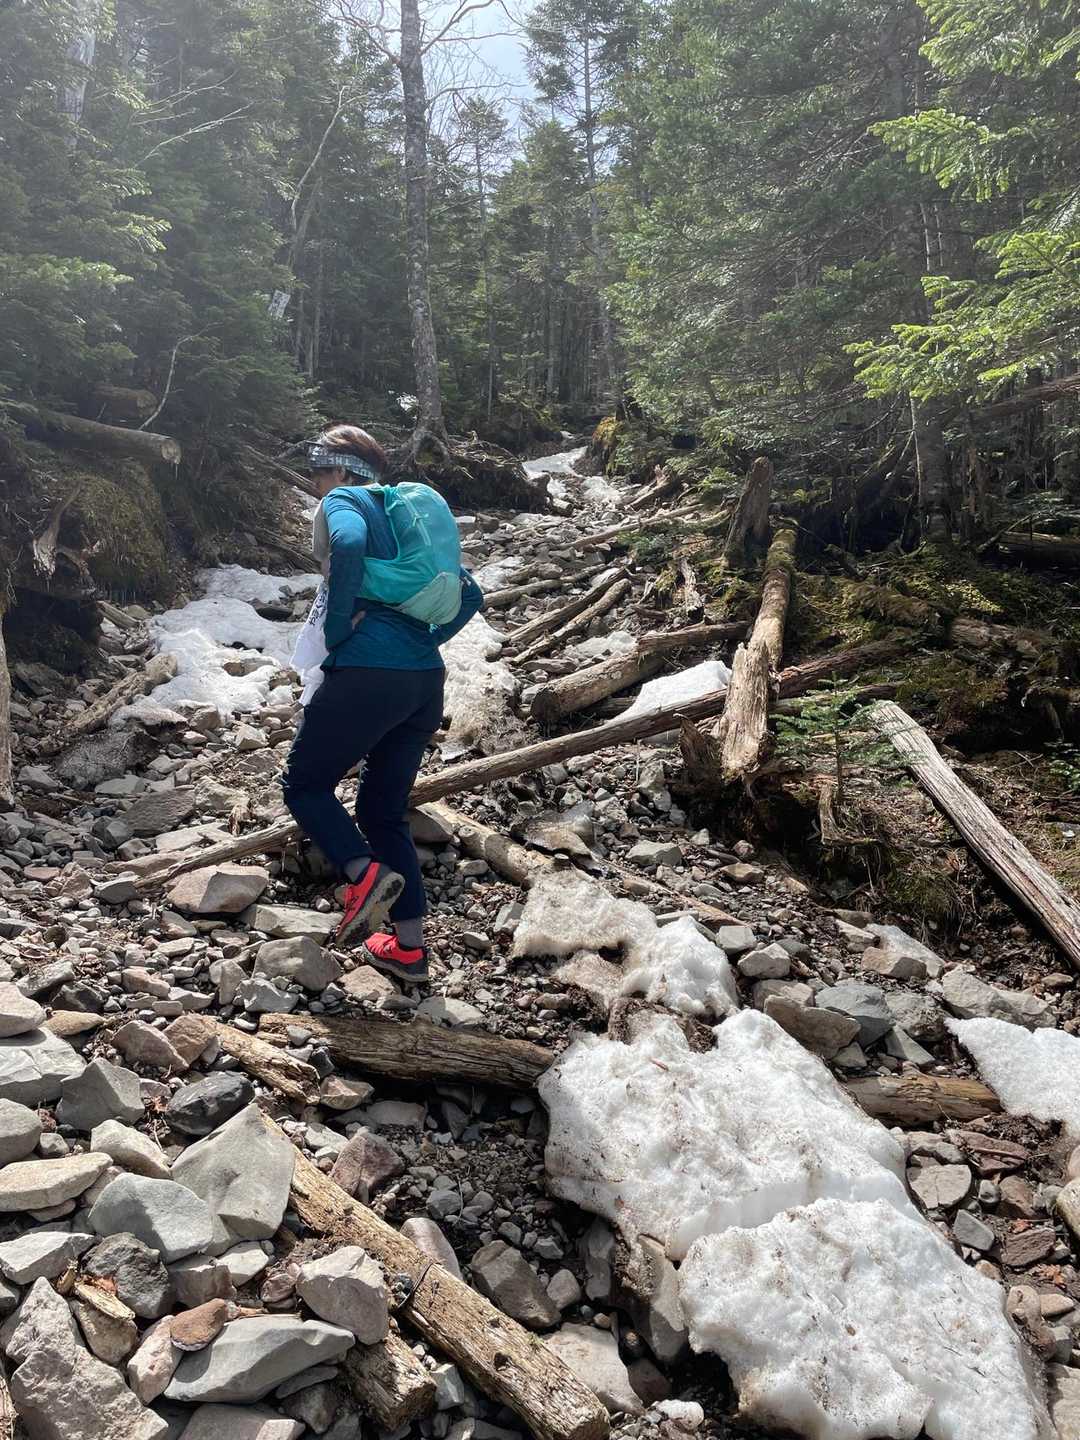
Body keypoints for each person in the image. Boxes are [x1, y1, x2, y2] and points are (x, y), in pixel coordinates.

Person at [281, 424, 484, 986]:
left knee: (304, 784)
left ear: (342, 470)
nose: (315, 484)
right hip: (423, 682)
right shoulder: (404, 517)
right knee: (382, 811)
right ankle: (409, 950)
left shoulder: (345, 501)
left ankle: (360, 873)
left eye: (318, 472)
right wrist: (424, 639)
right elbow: (470, 591)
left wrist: (340, 630)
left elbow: (346, 545)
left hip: (367, 674)